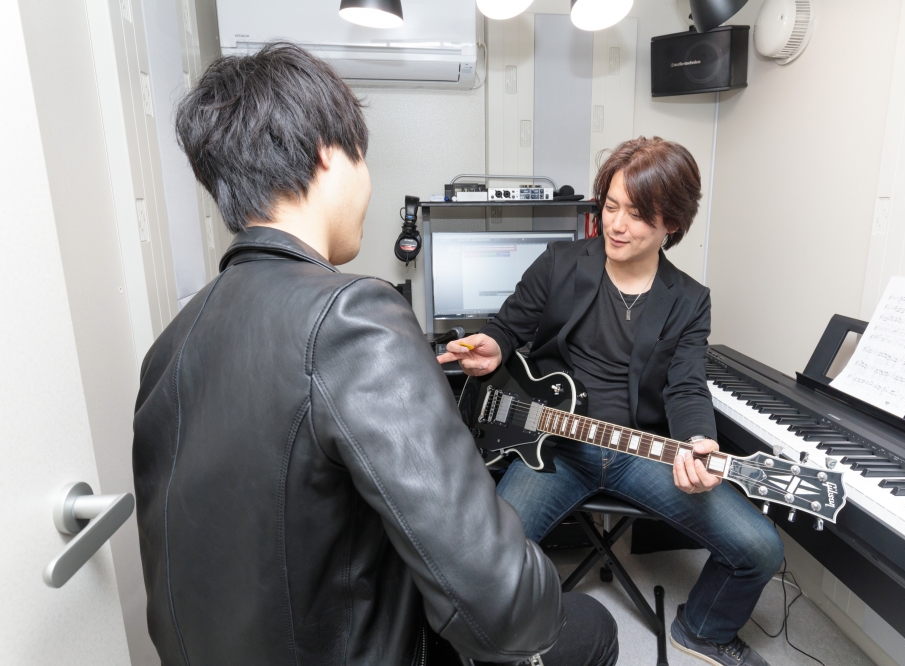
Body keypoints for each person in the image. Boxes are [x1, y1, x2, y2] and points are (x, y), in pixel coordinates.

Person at [132, 42, 617, 666]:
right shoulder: (352, 315)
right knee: (592, 625)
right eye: (363, 157)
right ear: (327, 153)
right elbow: (507, 611)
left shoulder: (168, 348)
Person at [438, 137, 784, 666]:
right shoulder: (560, 263)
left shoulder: (690, 301)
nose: (616, 225)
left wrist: (698, 440)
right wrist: (494, 346)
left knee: (761, 548)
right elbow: (508, 327)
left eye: (637, 214)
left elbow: (686, 385)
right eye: (611, 206)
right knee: (484, 566)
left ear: (672, 223)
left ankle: (703, 630)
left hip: (640, 452)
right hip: (551, 446)